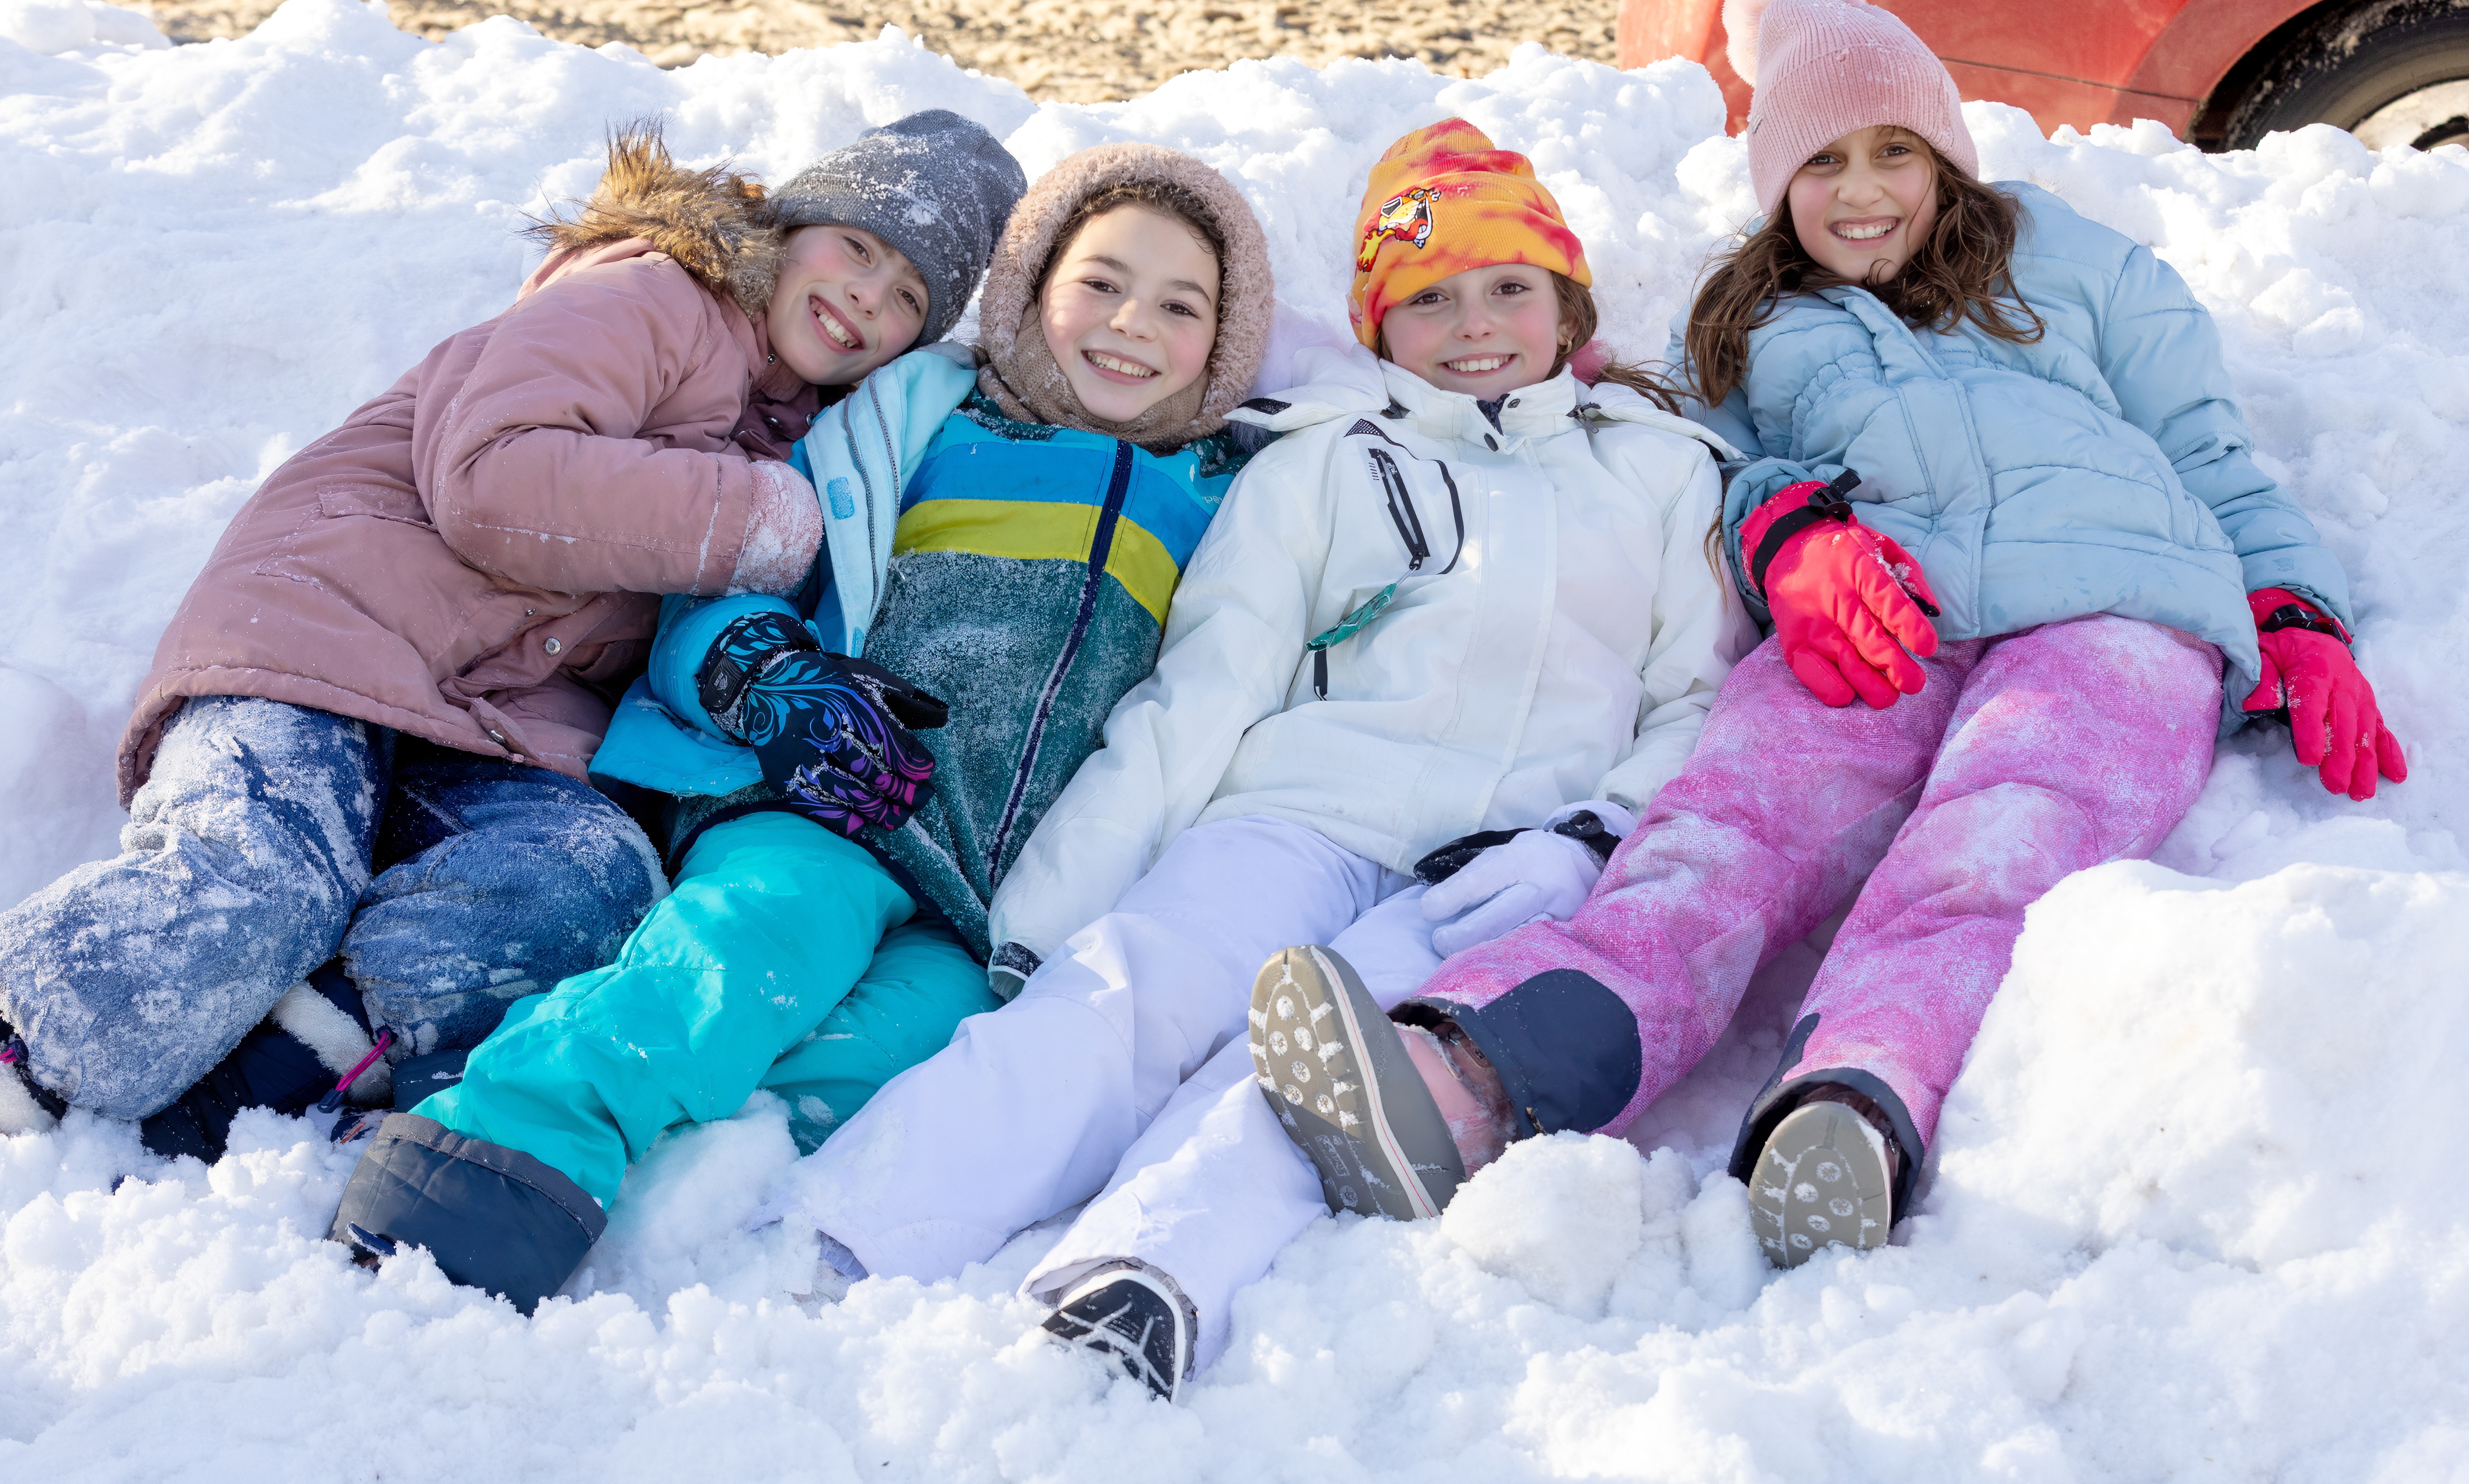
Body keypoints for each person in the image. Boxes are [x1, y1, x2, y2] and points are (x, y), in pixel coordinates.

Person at [1263, 0, 2409, 1281]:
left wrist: (2292, 611)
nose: (1859, 192)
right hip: (1877, 609)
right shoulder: (1749, 315)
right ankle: (1474, 1072)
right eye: (1820, 165)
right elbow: (1709, 462)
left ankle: (1855, 1097)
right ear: (1774, 185)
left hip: (2116, 607)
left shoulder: (2068, 260)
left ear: (1946, 157)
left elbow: (2208, 450)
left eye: (1892, 152)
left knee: (1995, 846)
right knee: (1726, 825)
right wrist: (1792, 537)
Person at [753, 118, 1751, 1398]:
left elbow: (1694, 693)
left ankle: (1147, 1265)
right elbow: (1206, 688)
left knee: (1336, 1067)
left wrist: (1591, 834)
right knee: (1133, 984)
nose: (1477, 324)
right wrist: (1048, 910)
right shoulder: (1324, 461)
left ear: (1566, 301)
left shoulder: (1660, 472)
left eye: (1511, 287)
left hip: (1507, 858)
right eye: (1431, 298)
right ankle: (855, 1219)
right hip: (1295, 817)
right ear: (1381, 324)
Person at [324, 143, 1277, 1314]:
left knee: (894, 1065)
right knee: (735, 968)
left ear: (1228, 342)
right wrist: (762, 676)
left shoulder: (1231, 490)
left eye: (1182, 305)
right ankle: (493, 1157)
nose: (1132, 322)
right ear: (1031, 292)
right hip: (833, 803)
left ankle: (683, 1198)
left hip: (989, 899)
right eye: (1101, 282)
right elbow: (742, 567)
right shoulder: (924, 416)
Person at [0, 112, 1024, 1158]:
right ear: (786, 224)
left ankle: (268, 1075)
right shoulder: (656, 296)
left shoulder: (811, 441)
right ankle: (27, 1038)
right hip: (323, 629)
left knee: (584, 881)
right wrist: (759, 524)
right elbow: (496, 480)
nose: (869, 294)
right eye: (857, 247)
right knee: (271, 867)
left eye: (909, 295)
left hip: (499, 717)